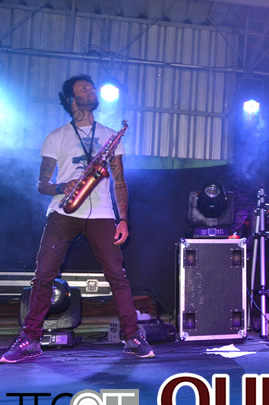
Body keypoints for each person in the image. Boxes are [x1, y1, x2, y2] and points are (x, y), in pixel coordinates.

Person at [1, 75, 154, 363]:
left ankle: (132, 336)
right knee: (43, 276)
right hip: (63, 212)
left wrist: (123, 219)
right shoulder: (56, 136)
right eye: (84, 88)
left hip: (102, 214)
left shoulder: (110, 134)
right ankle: (30, 339)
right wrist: (62, 186)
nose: (91, 91)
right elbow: (42, 184)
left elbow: (120, 182)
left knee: (117, 276)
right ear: (71, 100)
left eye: (92, 88)